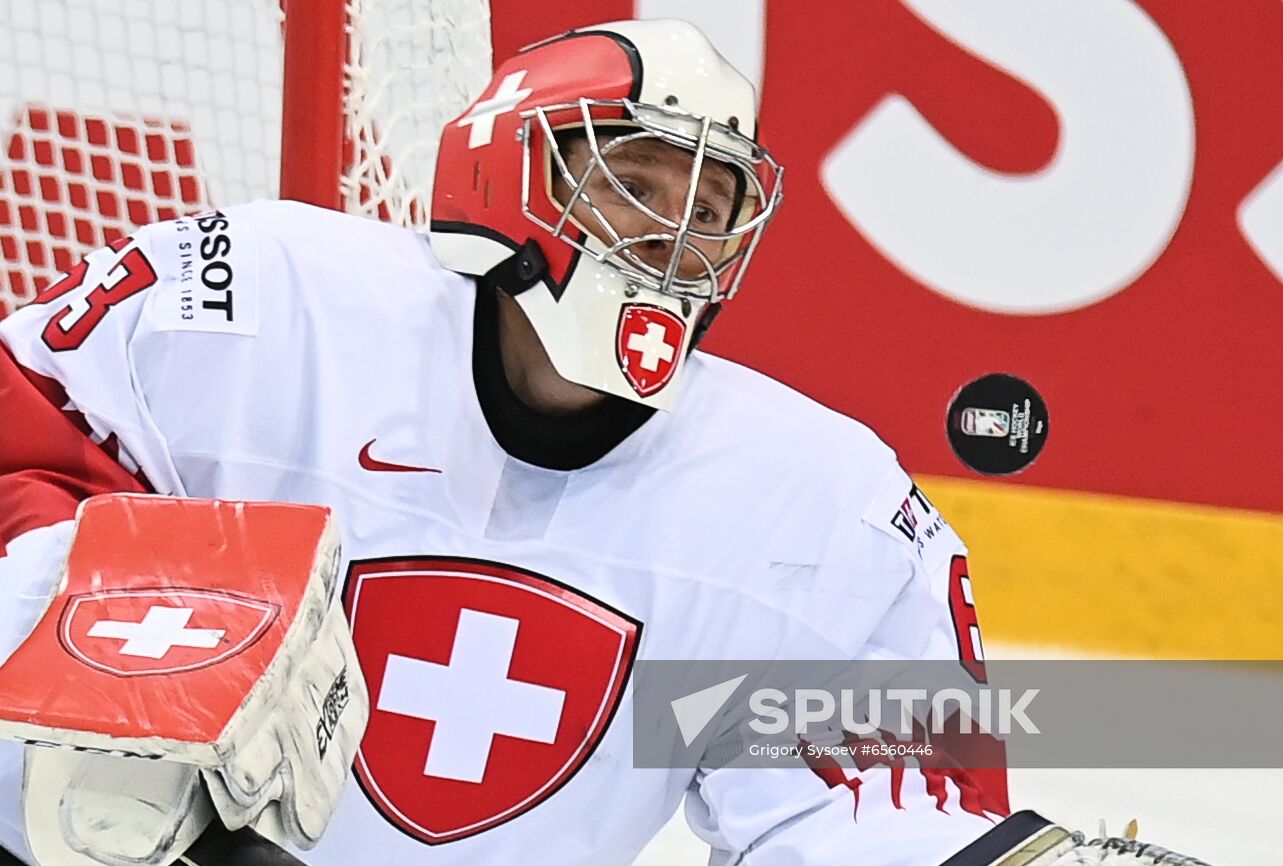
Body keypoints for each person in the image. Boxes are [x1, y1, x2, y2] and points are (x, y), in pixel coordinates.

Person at [0, 18, 1209, 866]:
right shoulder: (267, 300)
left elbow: (856, 814)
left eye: (709, 206)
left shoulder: (813, 501)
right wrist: (98, 636)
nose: (671, 234)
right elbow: (25, 436)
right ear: (506, 173)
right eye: (633, 180)